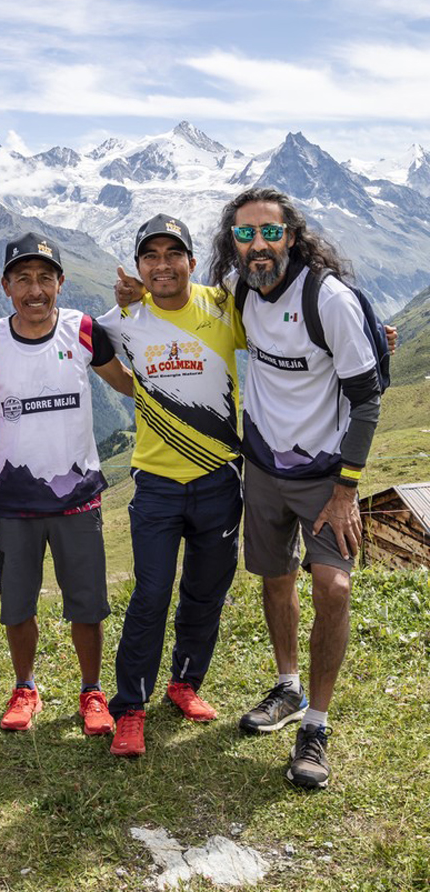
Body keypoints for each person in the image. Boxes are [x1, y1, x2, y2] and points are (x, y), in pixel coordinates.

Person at [208, 187, 383, 788]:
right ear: (233, 242)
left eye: (270, 232)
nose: (258, 245)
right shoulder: (240, 291)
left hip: (323, 478)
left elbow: (366, 399)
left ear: (293, 236)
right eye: (245, 234)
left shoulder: (325, 297)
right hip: (263, 469)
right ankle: (287, 688)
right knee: (275, 579)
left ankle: (318, 724)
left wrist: (346, 491)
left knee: (332, 588)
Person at [0, 232, 133, 735]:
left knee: (88, 603)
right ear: (6, 286)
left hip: (77, 498)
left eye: (44, 278)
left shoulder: (82, 331)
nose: (35, 290)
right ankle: (25, 687)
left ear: (61, 282)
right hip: (13, 502)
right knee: (17, 604)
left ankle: (91, 690)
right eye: (23, 279)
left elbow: (126, 382)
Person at [99, 215, 246, 756]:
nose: (162, 265)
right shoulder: (123, 318)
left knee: (206, 592)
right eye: (150, 256)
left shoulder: (223, 306)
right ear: (138, 266)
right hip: (157, 484)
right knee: (151, 594)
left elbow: (286, 339)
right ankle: (131, 708)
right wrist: (136, 390)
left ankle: (184, 684)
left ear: (190, 259)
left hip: (221, 479)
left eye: (172, 254)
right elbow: (87, 347)